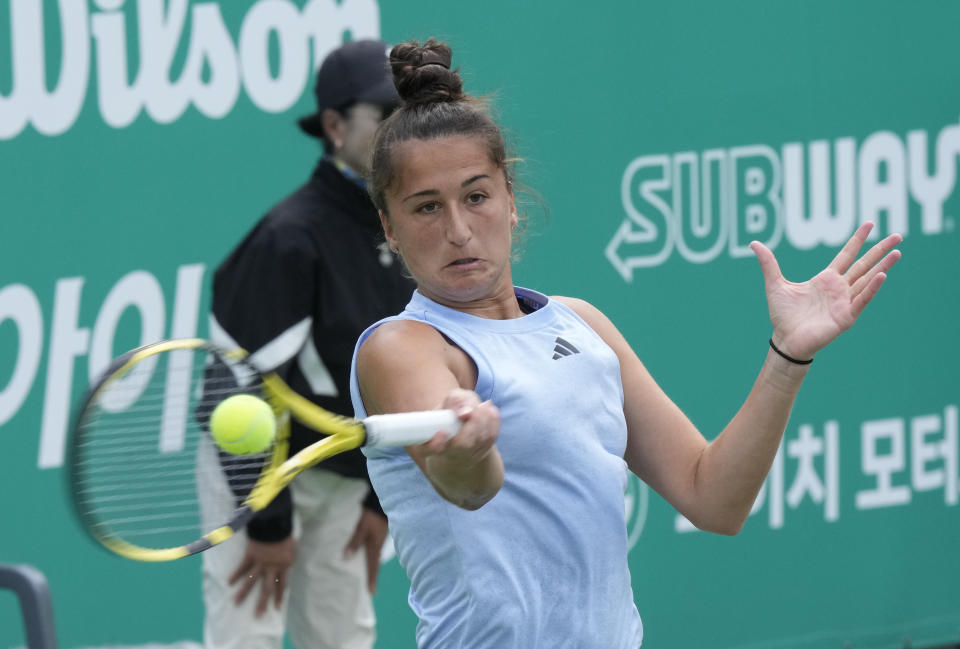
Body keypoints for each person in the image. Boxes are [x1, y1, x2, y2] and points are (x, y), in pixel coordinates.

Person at [347, 39, 903, 649]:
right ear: (390, 230)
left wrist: (788, 355)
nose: (457, 230)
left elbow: (713, 499)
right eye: (426, 208)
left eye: (476, 196)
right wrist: (469, 446)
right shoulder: (401, 347)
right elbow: (468, 488)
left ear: (510, 200)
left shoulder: (582, 325)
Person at [197, 39, 416, 649]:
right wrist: (266, 522)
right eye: (385, 117)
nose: (403, 134)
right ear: (333, 126)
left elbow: (400, 367)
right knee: (248, 638)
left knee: (343, 640)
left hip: (348, 470)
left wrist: (380, 493)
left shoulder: (407, 223)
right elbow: (232, 390)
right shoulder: (287, 241)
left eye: (410, 116)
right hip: (258, 469)